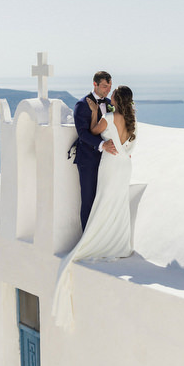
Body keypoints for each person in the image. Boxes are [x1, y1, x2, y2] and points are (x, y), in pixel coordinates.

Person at [53, 85, 137, 330]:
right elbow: (130, 145)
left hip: (110, 164)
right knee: (118, 203)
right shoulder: (133, 121)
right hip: (125, 165)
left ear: (116, 99)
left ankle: (96, 240)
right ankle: (119, 244)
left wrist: (94, 113)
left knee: (103, 202)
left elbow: (91, 131)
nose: (109, 96)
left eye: (112, 94)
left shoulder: (109, 117)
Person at [72, 71, 117, 231]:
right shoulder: (82, 104)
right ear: (95, 84)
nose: (108, 90)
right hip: (88, 161)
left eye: (110, 86)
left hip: (108, 160)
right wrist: (102, 145)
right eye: (105, 86)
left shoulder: (110, 104)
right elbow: (82, 133)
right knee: (88, 200)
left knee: (104, 199)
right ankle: (86, 240)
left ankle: (101, 237)